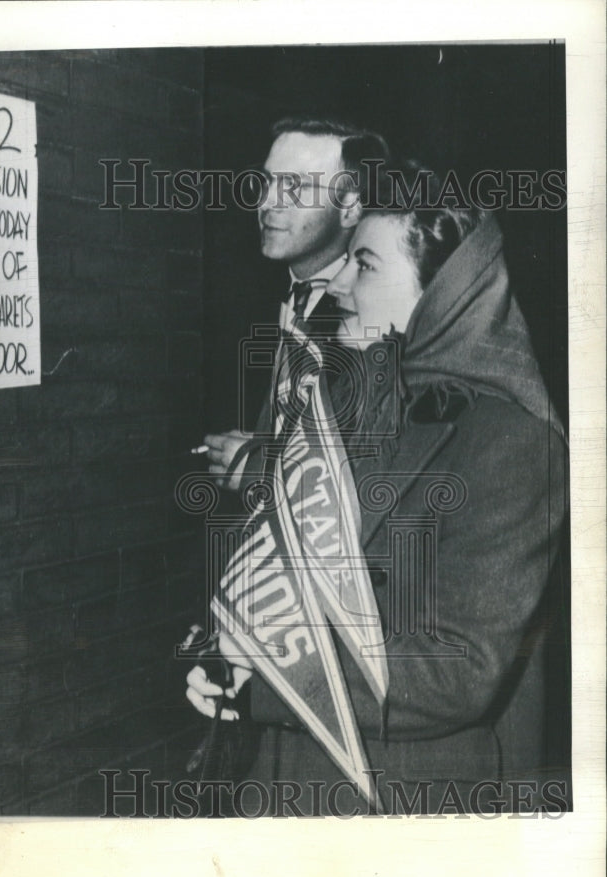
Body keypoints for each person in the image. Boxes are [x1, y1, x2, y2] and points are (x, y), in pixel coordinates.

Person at [187, 162, 568, 815]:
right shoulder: (357, 401)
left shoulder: (510, 443)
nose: (340, 287)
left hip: (401, 793)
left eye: (365, 265)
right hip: (288, 771)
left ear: (442, 291)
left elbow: (459, 667)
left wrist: (267, 682)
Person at [204, 117, 389, 488]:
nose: (266, 202)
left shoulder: (380, 317)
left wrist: (267, 474)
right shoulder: (227, 296)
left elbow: (379, 474)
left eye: (294, 186)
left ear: (350, 206)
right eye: (267, 181)